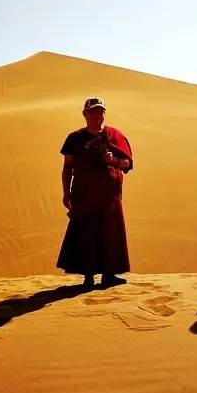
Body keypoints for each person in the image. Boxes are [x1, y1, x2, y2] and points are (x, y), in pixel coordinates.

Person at [58, 97, 134, 288]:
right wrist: (66, 192)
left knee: (110, 233)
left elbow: (127, 162)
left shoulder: (113, 135)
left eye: (100, 111)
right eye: (93, 111)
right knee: (86, 233)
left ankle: (109, 275)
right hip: (83, 194)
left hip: (110, 196)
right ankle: (88, 277)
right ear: (85, 114)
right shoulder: (74, 138)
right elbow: (67, 167)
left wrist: (114, 162)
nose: (97, 115)